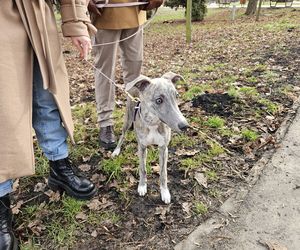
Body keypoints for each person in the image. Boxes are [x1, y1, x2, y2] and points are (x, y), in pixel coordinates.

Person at [0, 1, 97, 249]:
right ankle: (1, 202)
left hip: (38, 16)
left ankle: (59, 166)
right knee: (3, 115)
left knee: (47, 95)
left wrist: (75, 21)